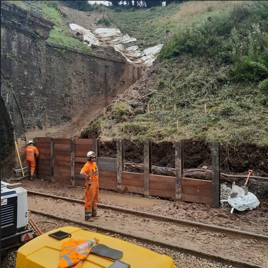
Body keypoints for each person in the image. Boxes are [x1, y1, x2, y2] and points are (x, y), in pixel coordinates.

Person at [80, 151, 99, 221]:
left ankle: (93, 214)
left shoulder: (94, 163)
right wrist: (88, 176)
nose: (94, 158)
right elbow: (81, 172)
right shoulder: (87, 165)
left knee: (95, 199)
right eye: (92, 158)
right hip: (90, 185)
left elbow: (96, 171)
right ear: (89, 158)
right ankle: (87, 217)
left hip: (95, 183)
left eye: (94, 157)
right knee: (89, 200)